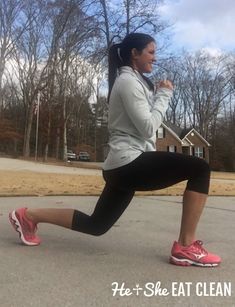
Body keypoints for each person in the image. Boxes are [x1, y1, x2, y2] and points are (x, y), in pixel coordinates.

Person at [9, 33, 221, 267]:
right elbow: (148, 126)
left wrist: (157, 95)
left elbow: (143, 126)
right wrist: (164, 95)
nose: (155, 58)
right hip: (129, 163)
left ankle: (28, 216)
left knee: (96, 225)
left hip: (120, 167)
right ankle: (185, 246)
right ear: (134, 53)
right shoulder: (128, 82)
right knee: (200, 168)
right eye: (151, 52)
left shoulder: (132, 82)